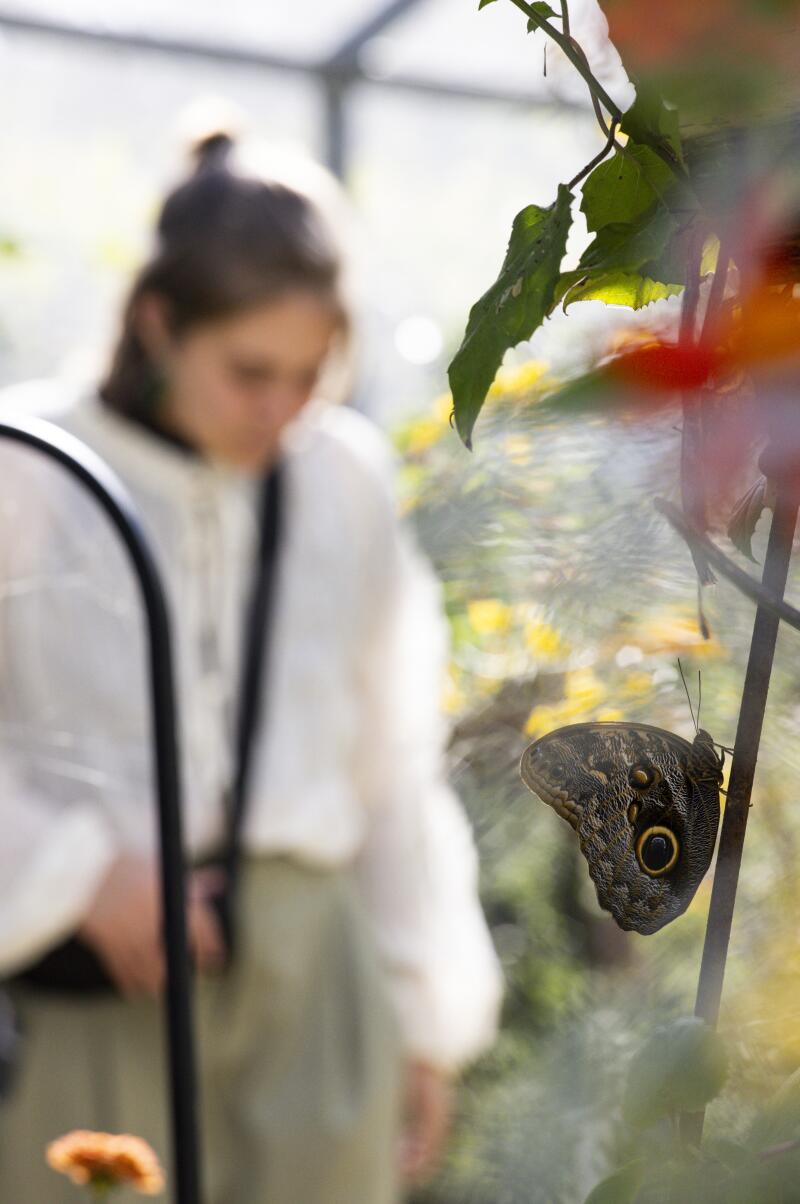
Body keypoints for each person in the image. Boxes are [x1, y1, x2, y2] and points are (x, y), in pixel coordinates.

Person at [0, 126, 502, 1203]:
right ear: (157, 321)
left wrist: (424, 1021)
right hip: (100, 985)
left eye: (311, 374)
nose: (280, 408)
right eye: (248, 371)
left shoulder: (346, 481)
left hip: (314, 980)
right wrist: (70, 869)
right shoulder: (26, 466)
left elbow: (389, 765)